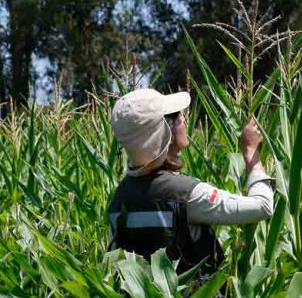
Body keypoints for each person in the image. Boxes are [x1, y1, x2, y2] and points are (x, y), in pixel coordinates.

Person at [108, 88, 274, 273]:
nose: (184, 120)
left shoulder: (119, 197)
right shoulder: (186, 194)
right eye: (177, 115)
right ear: (165, 131)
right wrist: (252, 154)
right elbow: (263, 206)